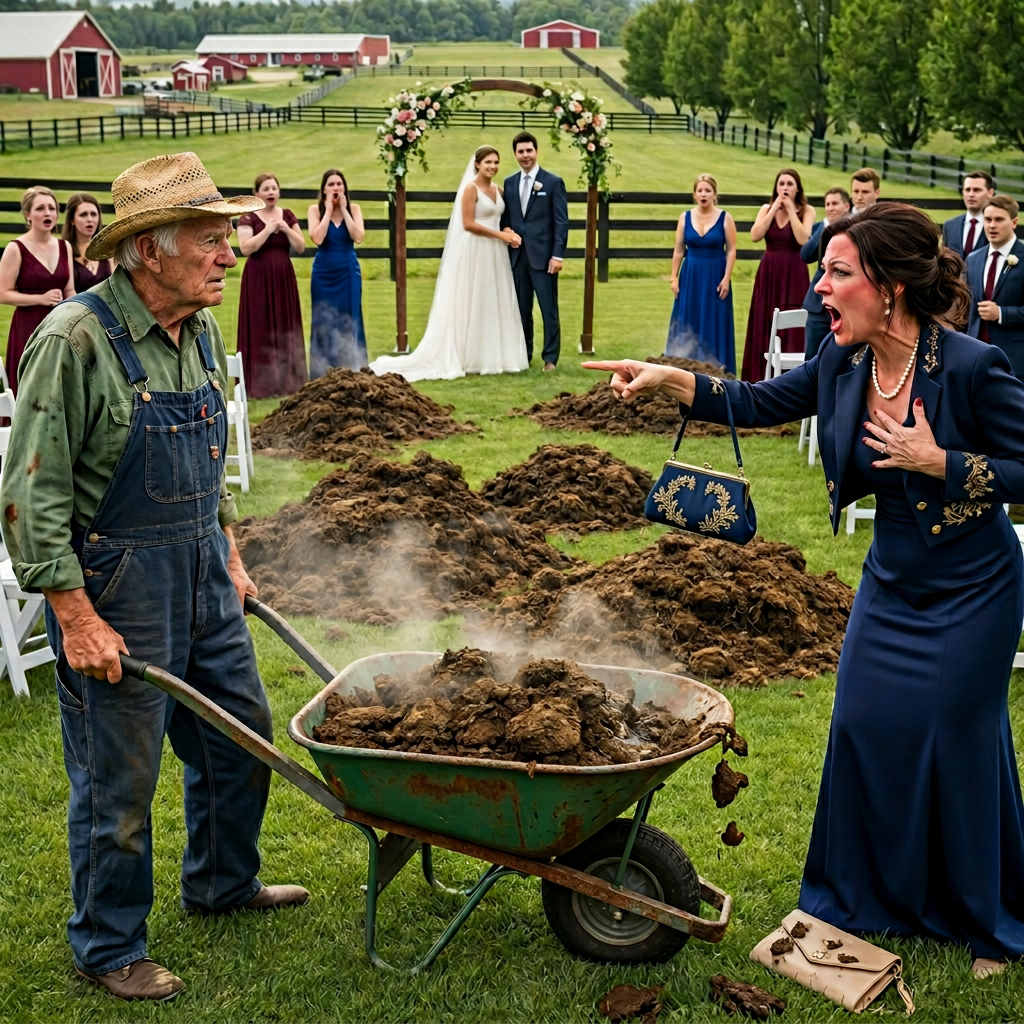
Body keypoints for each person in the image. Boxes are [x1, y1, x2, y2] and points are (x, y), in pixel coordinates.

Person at [583, 201, 1024, 980]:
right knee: (861, 728)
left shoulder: (970, 367)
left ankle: (984, 922)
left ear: (887, 287)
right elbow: (755, 402)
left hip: (973, 587)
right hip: (891, 583)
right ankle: (859, 897)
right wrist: (672, 381)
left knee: (956, 744)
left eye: (838, 273)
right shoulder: (841, 362)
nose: (822, 287)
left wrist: (942, 464)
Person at [0, 152, 309, 1003]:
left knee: (241, 737)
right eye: (212, 239)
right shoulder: (75, 339)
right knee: (118, 781)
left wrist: (230, 554)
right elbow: (29, 492)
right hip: (118, 584)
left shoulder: (200, 330)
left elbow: (208, 463)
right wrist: (73, 614)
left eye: (229, 234)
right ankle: (107, 944)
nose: (232, 252)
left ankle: (220, 883)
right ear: (149, 251)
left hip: (204, 573)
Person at [369, 146, 528, 382]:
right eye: (488, 162)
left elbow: (501, 218)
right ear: (477, 164)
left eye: (496, 162)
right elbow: (468, 224)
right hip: (476, 248)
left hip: (495, 253)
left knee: (491, 298)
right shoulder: (470, 189)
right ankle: (466, 355)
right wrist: (501, 236)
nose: (492, 166)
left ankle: (491, 356)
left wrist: (506, 231)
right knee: (471, 298)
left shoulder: (499, 189)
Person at [500, 131, 569, 371]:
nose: (525, 155)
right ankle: (523, 356)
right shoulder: (509, 183)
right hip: (518, 257)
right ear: (515, 154)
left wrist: (557, 255)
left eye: (529, 150)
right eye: (521, 151)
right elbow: (506, 217)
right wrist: (507, 229)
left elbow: (561, 222)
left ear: (536, 151)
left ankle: (550, 358)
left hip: (545, 258)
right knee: (521, 309)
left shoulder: (552, 182)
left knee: (548, 310)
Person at [740, 168, 815, 381]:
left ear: (797, 188)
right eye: (781, 184)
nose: (784, 188)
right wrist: (774, 209)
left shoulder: (807, 210)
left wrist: (791, 211)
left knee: (793, 318)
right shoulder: (766, 208)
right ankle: (760, 375)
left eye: (789, 184)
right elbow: (755, 235)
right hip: (769, 271)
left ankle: (791, 376)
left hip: (794, 271)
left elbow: (804, 240)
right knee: (764, 318)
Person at [236, 172, 307, 398]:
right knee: (260, 324)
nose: (270, 192)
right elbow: (246, 248)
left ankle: (287, 380)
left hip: (283, 278)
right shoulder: (248, 218)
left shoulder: (287, 215)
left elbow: (301, 246)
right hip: (258, 278)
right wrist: (267, 230)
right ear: (256, 193)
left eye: (274, 188)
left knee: (285, 325)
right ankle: (261, 383)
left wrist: (285, 228)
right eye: (265, 189)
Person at [0, 186, 74, 393]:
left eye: (52, 208)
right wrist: (40, 299)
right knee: (31, 386)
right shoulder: (16, 248)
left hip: (59, 325)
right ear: (28, 215)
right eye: (40, 208)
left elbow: (69, 290)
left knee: (61, 386)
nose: (48, 213)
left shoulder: (64, 246)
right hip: (27, 326)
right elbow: (3, 293)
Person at [665, 173, 737, 373]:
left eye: (708, 190)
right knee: (689, 316)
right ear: (694, 194)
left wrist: (726, 278)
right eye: (700, 190)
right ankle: (683, 365)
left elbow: (731, 250)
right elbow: (679, 250)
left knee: (714, 319)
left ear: (715, 194)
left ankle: (717, 368)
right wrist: (674, 277)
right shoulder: (685, 217)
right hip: (691, 275)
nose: (703, 194)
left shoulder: (725, 218)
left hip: (716, 275)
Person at [307, 169, 366, 377]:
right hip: (323, 272)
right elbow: (318, 238)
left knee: (350, 316)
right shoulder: (315, 210)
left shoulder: (355, 208)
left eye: (339, 184)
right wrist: (330, 211)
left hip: (348, 270)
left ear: (344, 188)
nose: (335, 188)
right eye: (331, 184)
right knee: (323, 319)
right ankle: (322, 371)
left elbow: (358, 237)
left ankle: (351, 367)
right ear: (324, 189)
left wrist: (344, 209)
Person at [966, 194, 1024, 376]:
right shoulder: (973, 259)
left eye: (999, 219)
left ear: (1014, 222)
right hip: (975, 354)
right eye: (988, 219)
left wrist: (1001, 313)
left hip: (1015, 358)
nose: (992, 225)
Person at [801, 187, 851, 359]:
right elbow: (806, 255)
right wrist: (825, 227)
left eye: (834, 203)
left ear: (846, 206)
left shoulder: (856, 230)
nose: (830, 208)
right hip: (817, 305)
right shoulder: (820, 227)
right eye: (827, 204)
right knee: (812, 357)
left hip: (845, 304)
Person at [62, 193, 112, 293]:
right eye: (83, 214)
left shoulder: (107, 250)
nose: (90, 219)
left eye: (93, 214)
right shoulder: (63, 250)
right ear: (72, 220)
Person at [943, 171, 995, 259]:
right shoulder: (950, 226)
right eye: (967, 190)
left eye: (977, 190)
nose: (971, 194)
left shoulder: (996, 226)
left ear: (990, 193)